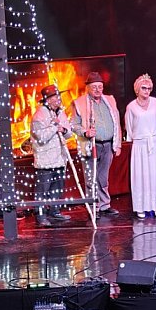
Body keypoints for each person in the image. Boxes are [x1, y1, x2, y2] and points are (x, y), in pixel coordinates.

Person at [70, 71, 122, 217]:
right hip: (91, 146)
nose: (98, 90)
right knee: (91, 178)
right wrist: (85, 132)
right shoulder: (79, 103)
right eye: (94, 87)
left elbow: (116, 121)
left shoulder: (109, 100)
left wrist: (118, 144)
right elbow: (73, 125)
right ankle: (93, 207)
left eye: (100, 86)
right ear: (87, 87)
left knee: (103, 177)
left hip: (108, 145)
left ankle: (105, 205)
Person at [124, 74, 156, 219]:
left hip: (155, 143)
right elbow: (129, 127)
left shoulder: (155, 103)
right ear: (137, 89)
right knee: (141, 176)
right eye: (144, 88)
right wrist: (137, 138)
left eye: (149, 88)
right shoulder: (131, 107)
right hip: (140, 145)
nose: (147, 91)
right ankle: (141, 206)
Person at [31, 85, 74, 227]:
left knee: (57, 187)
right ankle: (40, 215)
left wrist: (63, 129)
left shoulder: (60, 113)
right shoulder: (39, 116)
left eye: (58, 96)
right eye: (55, 97)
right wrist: (55, 127)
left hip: (60, 158)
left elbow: (69, 133)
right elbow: (41, 137)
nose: (58, 99)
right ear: (47, 100)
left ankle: (55, 211)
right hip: (45, 160)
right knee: (43, 189)